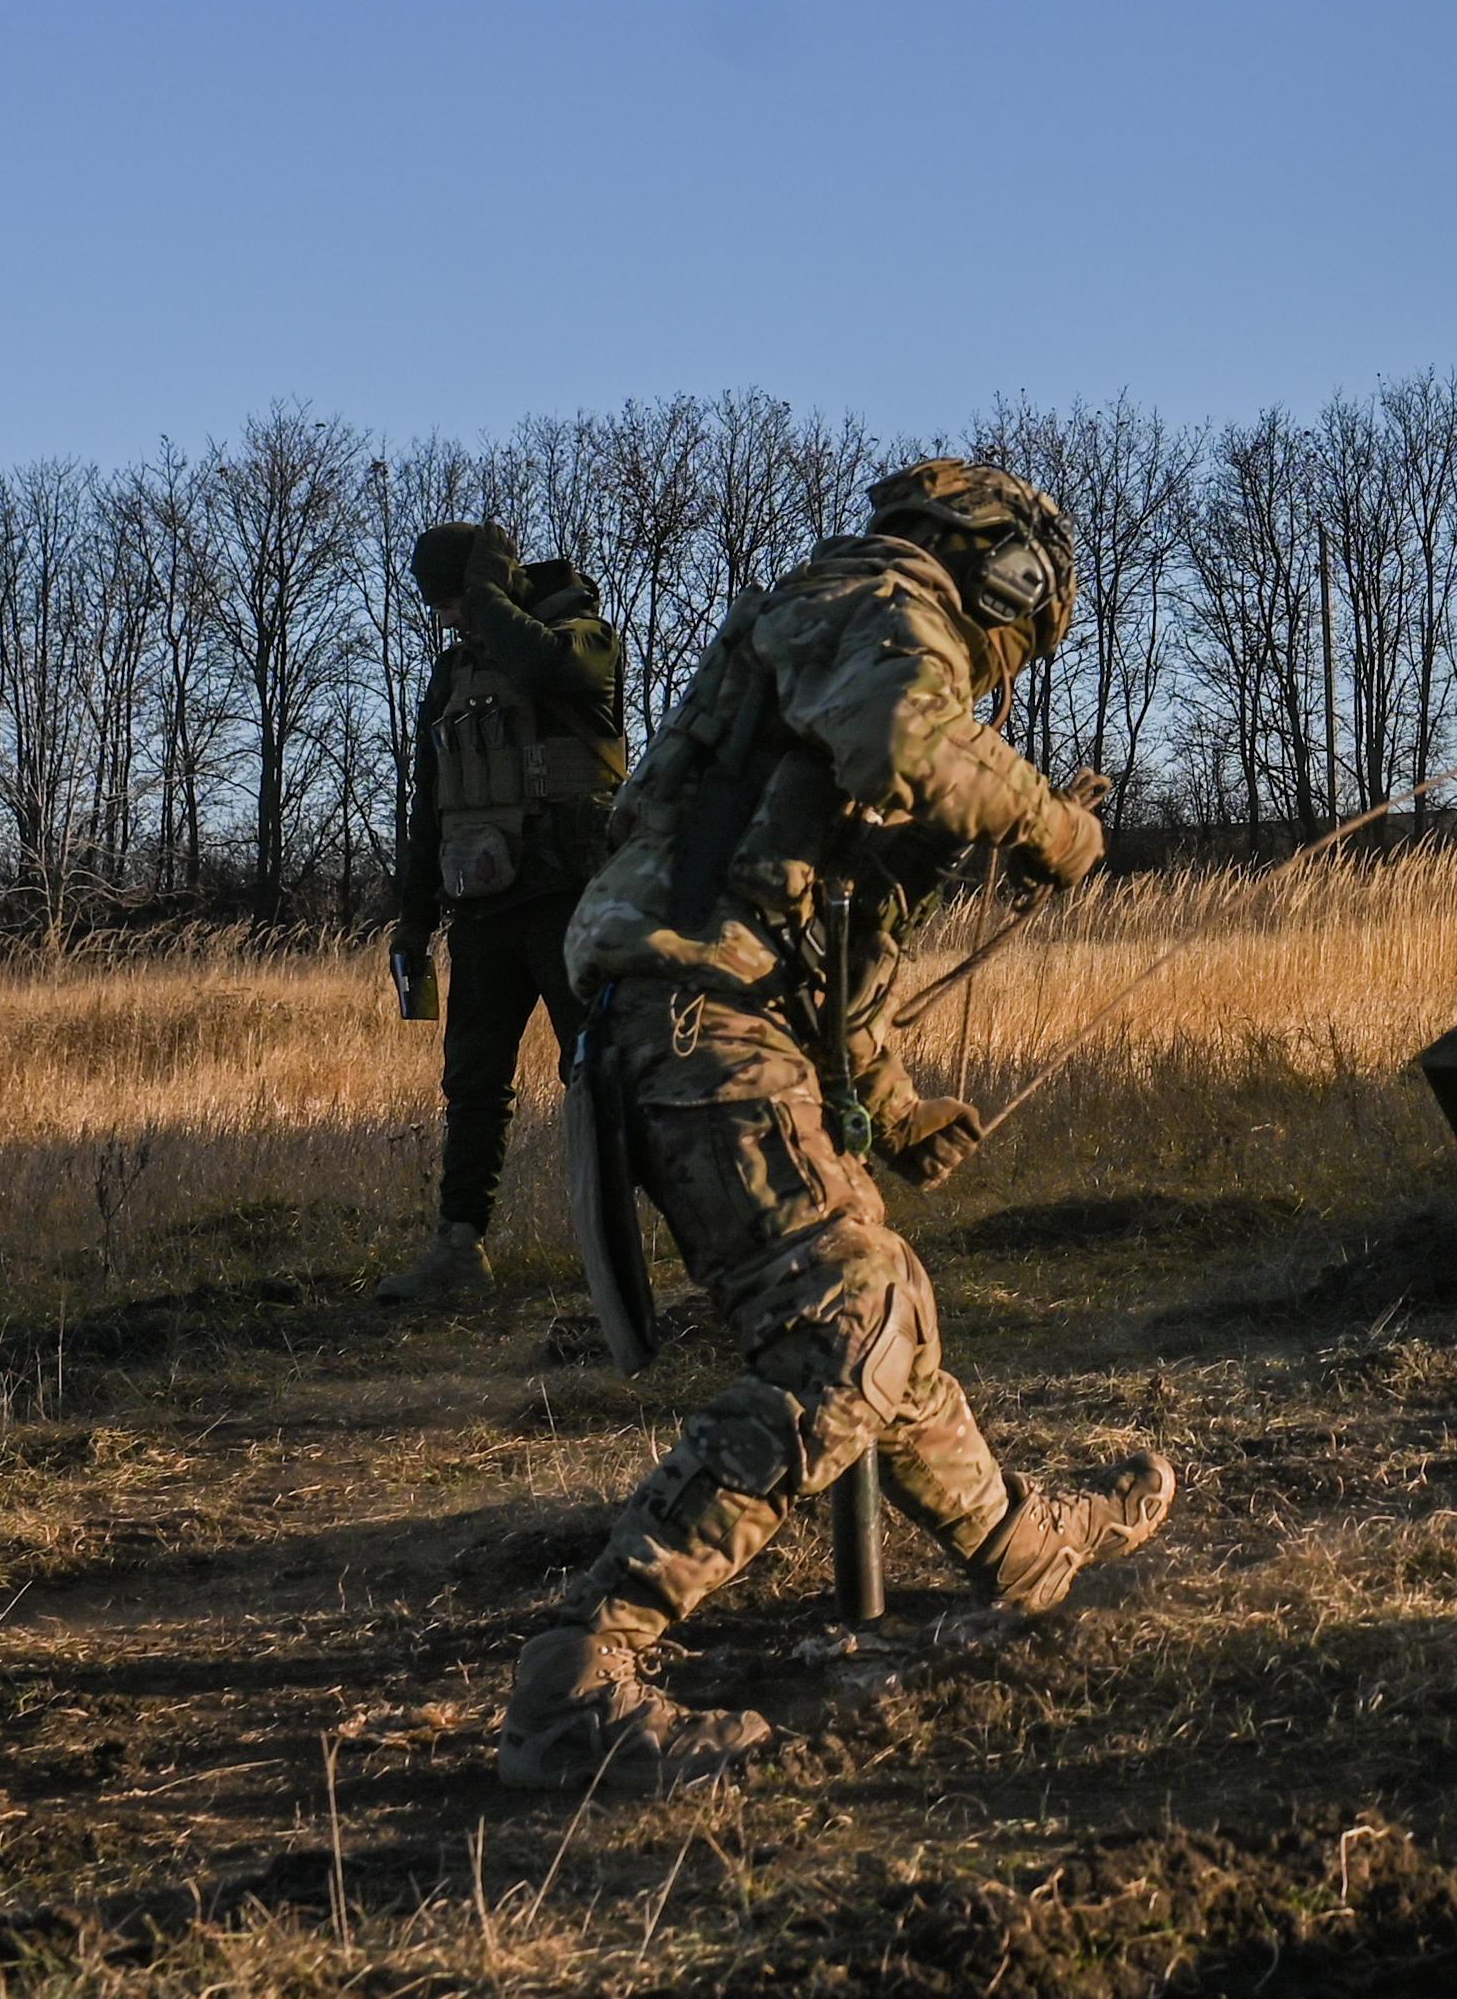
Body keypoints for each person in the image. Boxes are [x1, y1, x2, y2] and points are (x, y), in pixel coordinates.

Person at [496, 458, 1173, 1790]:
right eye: (1023, 629)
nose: (1007, 670)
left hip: (722, 1015)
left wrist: (898, 1101)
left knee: (885, 1313)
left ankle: (1025, 1549)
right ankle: (578, 1678)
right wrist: (1049, 825)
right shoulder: (873, 594)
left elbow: (834, 948)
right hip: (692, 1012)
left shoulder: (852, 641)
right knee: (849, 1327)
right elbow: (902, 741)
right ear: (1000, 570)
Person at [379, 525, 628, 1304]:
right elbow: (431, 804)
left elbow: (550, 668)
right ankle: (458, 1251)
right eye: (445, 604)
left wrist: (487, 596)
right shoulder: (454, 674)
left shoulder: (582, 637)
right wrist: (414, 921)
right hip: (483, 907)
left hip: (571, 900)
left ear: (491, 583)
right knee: (473, 1084)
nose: (450, 618)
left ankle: (621, 1258)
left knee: (597, 1078)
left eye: (456, 598)